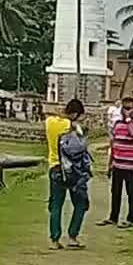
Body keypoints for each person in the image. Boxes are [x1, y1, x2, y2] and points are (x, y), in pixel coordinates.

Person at [45, 97, 83, 247]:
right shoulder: (73, 127)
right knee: (80, 203)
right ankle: (73, 236)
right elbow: (81, 147)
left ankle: (55, 239)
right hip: (72, 169)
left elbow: (52, 115)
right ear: (75, 114)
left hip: (55, 166)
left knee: (56, 205)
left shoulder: (49, 123)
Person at [103, 96, 133, 227]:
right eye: (124, 107)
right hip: (117, 163)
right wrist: (110, 164)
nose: (126, 110)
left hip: (130, 165)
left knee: (131, 191)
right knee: (115, 191)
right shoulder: (117, 124)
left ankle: (130, 219)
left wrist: (128, 120)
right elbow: (113, 143)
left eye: (129, 107)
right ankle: (113, 217)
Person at [58, 107, 93, 247]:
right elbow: (75, 151)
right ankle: (73, 235)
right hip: (76, 174)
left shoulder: (63, 132)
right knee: (81, 204)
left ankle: (60, 236)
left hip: (66, 171)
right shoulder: (74, 134)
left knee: (60, 205)